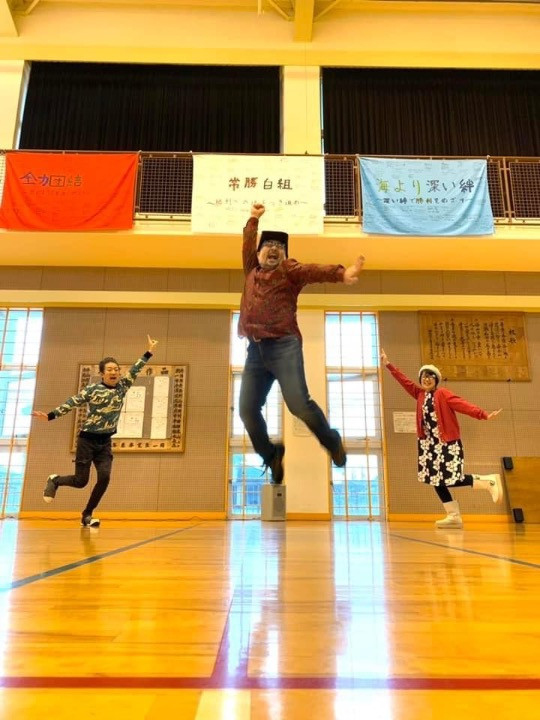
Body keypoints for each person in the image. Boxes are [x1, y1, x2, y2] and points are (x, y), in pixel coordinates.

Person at [238, 202, 365, 484]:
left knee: (298, 404)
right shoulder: (251, 271)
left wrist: (341, 274)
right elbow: (246, 244)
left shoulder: (289, 270)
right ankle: (271, 454)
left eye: (279, 247)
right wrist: (253, 219)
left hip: (283, 346)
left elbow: (312, 271)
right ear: (257, 254)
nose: (273, 249)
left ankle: (332, 442)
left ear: (285, 255)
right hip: (255, 351)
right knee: (246, 409)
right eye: (267, 245)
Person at [32, 335, 158, 527]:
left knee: (105, 478)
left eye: (116, 369)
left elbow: (135, 369)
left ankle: (87, 514)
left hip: (105, 442)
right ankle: (55, 480)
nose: (114, 372)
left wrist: (148, 352)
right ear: (102, 374)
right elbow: (72, 402)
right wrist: (50, 416)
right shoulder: (92, 390)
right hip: (87, 440)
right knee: (81, 481)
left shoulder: (122, 387)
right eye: (109, 370)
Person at [380, 349, 503, 528]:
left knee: (452, 478)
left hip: (447, 444)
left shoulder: (442, 394)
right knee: (435, 480)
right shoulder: (419, 394)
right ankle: (453, 516)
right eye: (424, 376)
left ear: (436, 380)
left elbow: (462, 404)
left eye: (431, 376)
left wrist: (482, 414)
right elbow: (404, 381)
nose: (426, 379)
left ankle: (487, 482)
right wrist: (388, 364)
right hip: (428, 446)